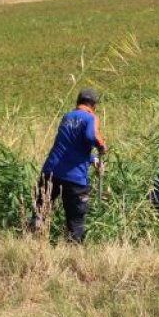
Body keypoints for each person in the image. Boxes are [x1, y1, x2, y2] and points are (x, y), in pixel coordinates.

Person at [31, 89, 107, 243]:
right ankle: (71, 254)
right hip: (74, 178)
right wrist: (101, 145)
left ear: (77, 103)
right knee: (75, 221)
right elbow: (90, 136)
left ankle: (30, 245)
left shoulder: (67, 117)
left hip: (50, 172)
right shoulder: (90, 117)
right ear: (94, 106)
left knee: (39, 213)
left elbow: (69, 144)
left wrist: (92, 159)